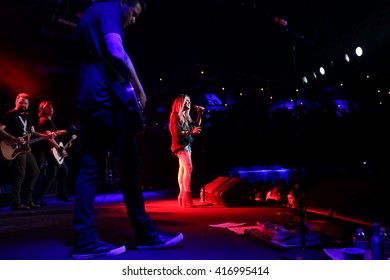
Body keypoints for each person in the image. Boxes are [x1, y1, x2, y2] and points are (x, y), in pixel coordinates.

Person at [71, 0, 183, 259]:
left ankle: (141, 233)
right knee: (98, 167)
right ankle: (88, 240)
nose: (133, 20)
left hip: (94, 97)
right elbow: (115, 50)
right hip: (105, 101)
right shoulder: (108, 9)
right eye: (133, 13)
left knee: (128, 164)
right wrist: (140, 88)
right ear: (124, 2)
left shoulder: (92, 14)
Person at [0, 93, 54, 210]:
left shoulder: (28, 116)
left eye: (25, 103)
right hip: (14, 147)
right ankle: (15, 202)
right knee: (20, 175)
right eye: (21, 102)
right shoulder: (9, 115)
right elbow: (0, 129)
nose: (23, 105)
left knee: (35, 171)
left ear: (28, 104)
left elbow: (33, 132)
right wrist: (13, 138)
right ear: (16, 102)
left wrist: (47, 136)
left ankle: (28, 200)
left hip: (25, 148)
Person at [33, 100, 73, 206]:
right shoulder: (44, 121)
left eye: (52, 107)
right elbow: (48, 138)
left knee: (59, 172)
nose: (51, 109)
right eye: (48, 108)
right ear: (43, 109)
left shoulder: (49, 121)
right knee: (54, 174)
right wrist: (60, 149)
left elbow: (53, 136)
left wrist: (64, 145)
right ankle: (38, 197)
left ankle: (59, 195)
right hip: (51, 151)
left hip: (54, 151)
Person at [168, 94, 202, 208]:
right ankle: (187, 198)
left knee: (183, 169)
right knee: (188, 168)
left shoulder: (185, 116)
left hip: (186, 145)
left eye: (189, 101)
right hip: (179, 145)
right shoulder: (175, 116)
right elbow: (176, 133)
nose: (189, 103)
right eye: (186, 101)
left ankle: (182, 196)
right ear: (180, 103)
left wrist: (199, 114)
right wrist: (191, 132)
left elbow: (196, 125)